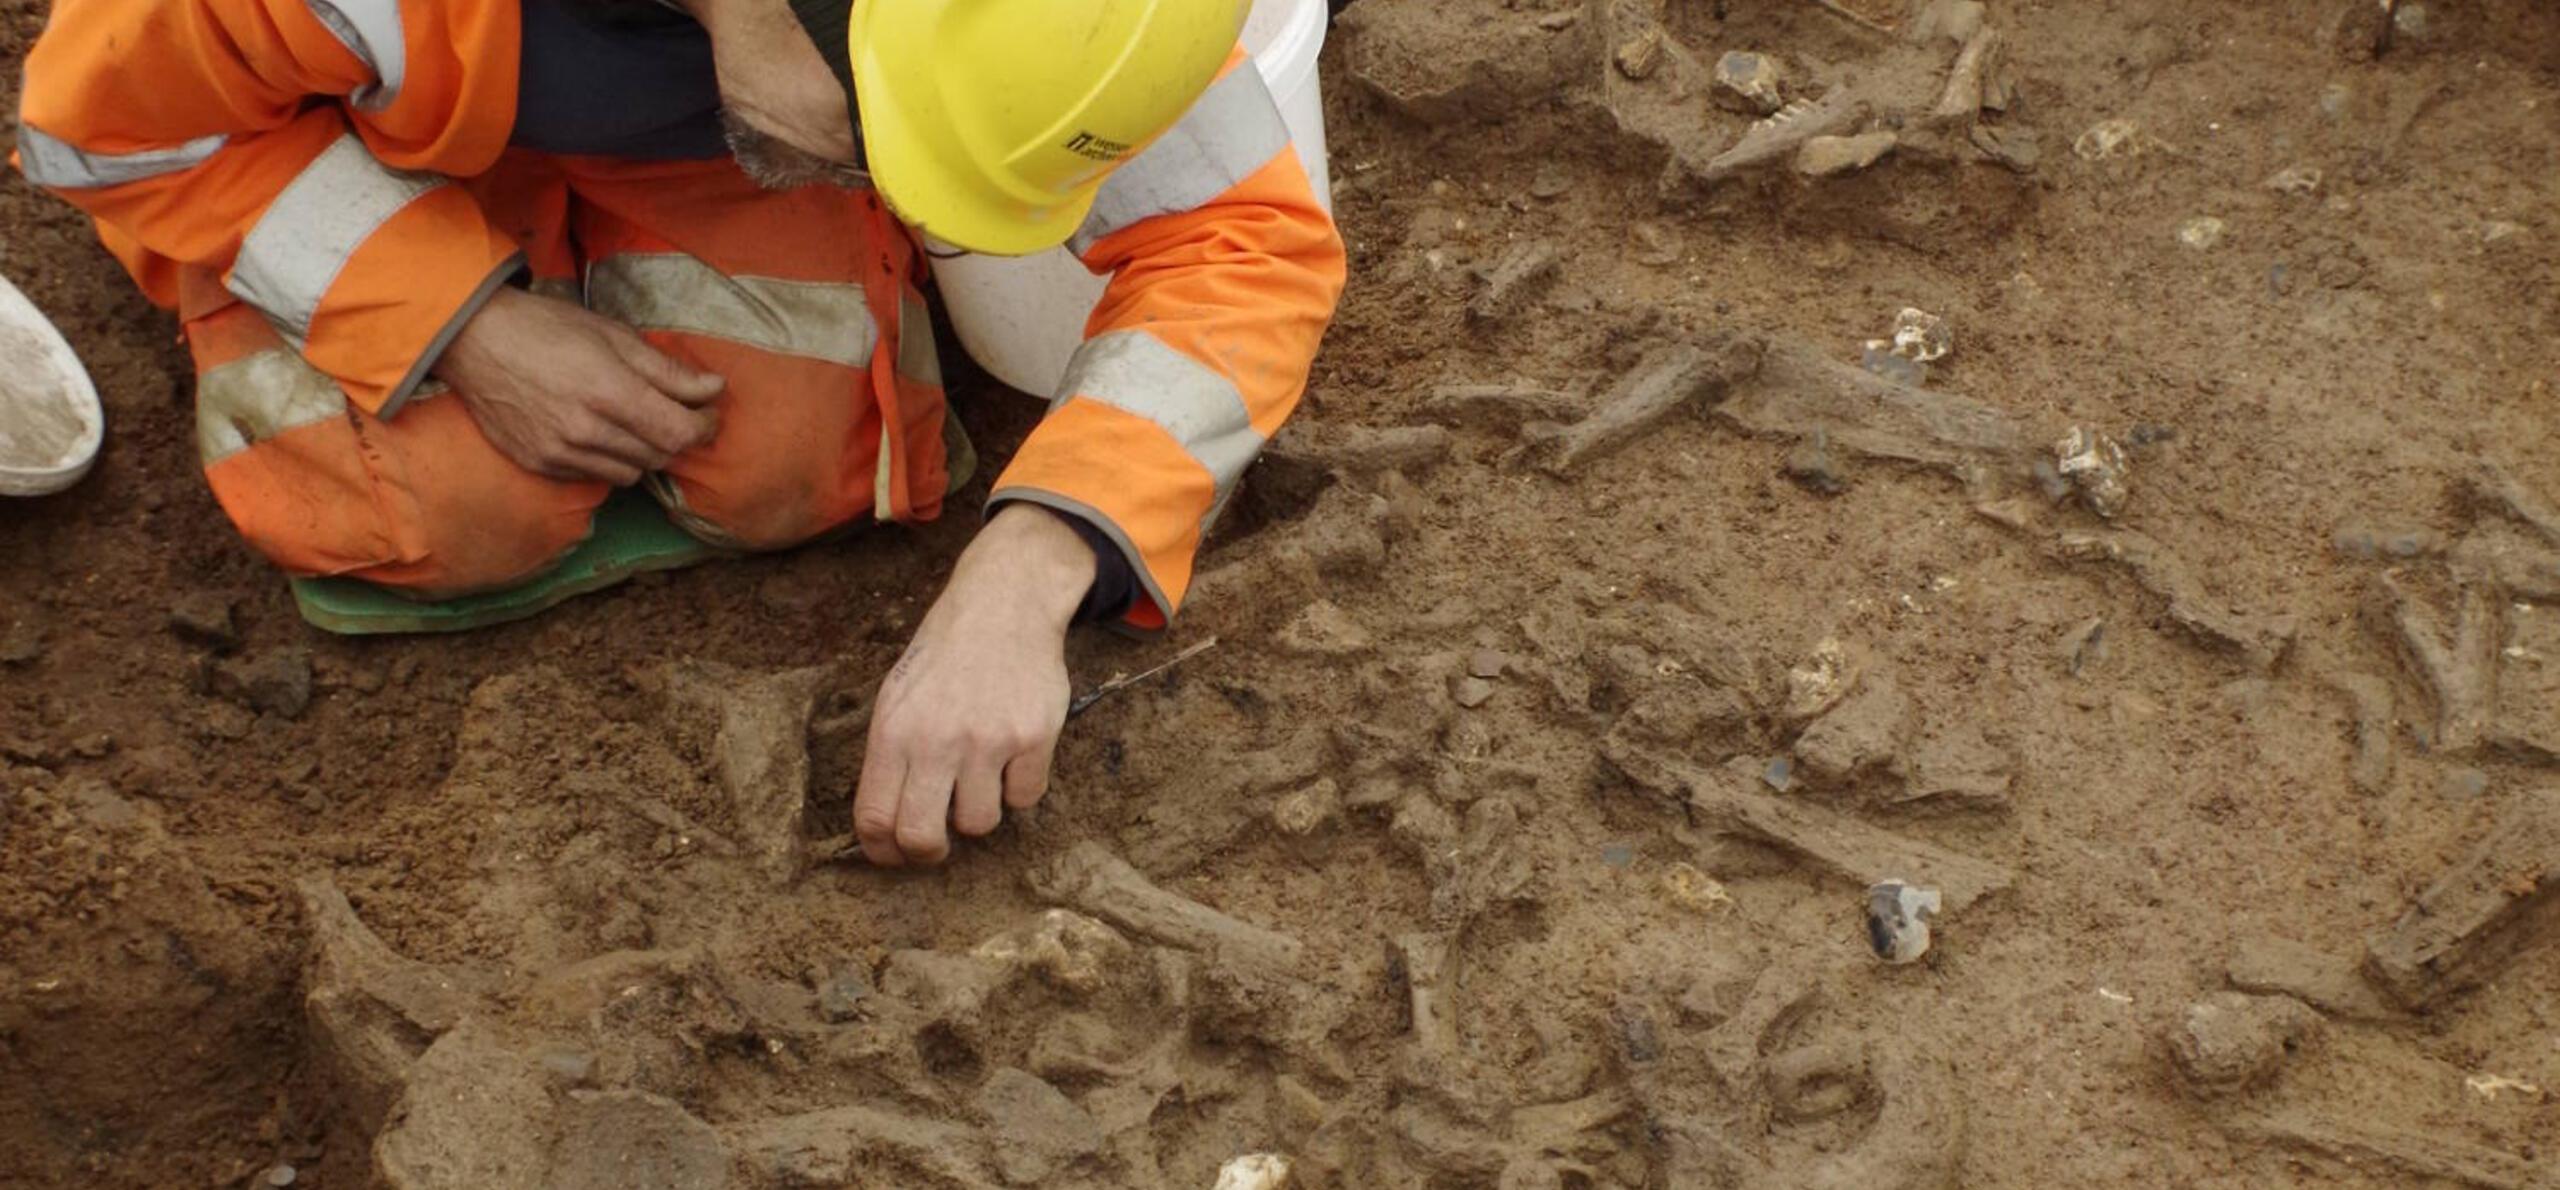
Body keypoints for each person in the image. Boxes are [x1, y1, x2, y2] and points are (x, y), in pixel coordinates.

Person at [14, 0, 1346, 865]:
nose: (892, 196)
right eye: (871, 148)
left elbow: (1248, 239)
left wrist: (1037, 563)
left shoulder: (1065, 18)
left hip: (683, 103)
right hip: (326, 127)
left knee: (794, 458)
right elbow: (103, 127)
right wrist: (461, 321)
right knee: (430, 505)